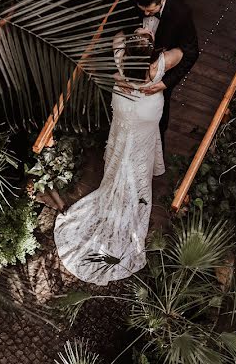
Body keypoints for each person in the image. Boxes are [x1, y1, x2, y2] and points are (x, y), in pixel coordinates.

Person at [54, 32, 183, 284]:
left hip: (125, 111)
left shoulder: (121, 63)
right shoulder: (157, 69)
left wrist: (122, 67)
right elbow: (181, 53)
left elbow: (117, 37)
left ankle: (119, 183)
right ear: (150, 56)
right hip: (145, 115)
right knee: (140, 151)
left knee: (123, 147)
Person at [130, 0, 199, 155]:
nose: (145, 14)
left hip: (160, 79)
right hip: (130, 73)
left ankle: (153, 154)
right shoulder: (129, 2)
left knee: (158, 119)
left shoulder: (181, 13)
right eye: (142, 9)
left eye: (150, 10)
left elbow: (191, 52)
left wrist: (166, 82)